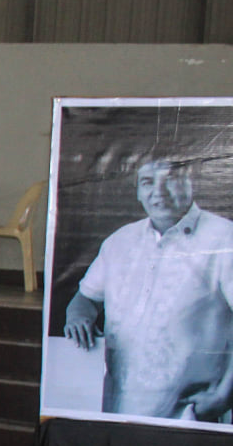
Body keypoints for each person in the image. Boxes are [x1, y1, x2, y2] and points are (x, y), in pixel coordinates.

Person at [64, 150, 233, 422]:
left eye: (171, 179)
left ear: (193, 180)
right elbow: (86, 298)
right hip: (119, 408)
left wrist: (223, 397)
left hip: (191, 415)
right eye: (147, 182)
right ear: (138, 192)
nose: (159, 191)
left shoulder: (225, 239)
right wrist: (78, 316)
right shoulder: (119, 241)